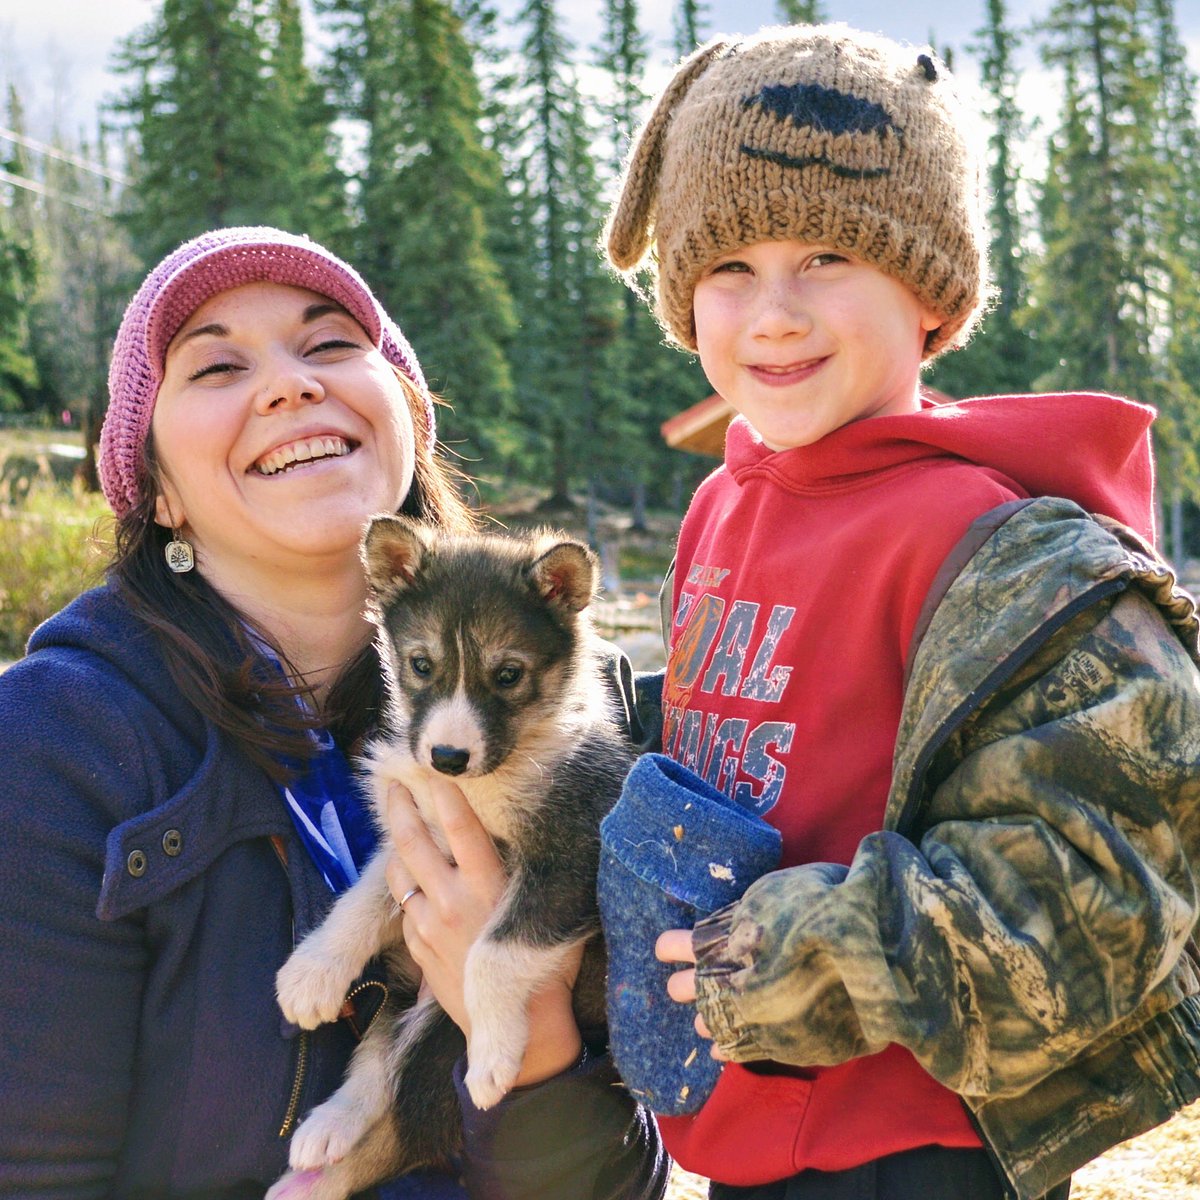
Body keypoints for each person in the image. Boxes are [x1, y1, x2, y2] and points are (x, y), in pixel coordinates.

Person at [600, 23, 1200, 1200]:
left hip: (913, 1149)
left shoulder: (999, 545)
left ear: (931, 289)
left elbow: (1101, 884)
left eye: (828, 254)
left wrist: (791, 955)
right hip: (739, 1125)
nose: (772, 313)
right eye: (727, 267)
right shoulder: (723, 502)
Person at [0, 226, 667, 1200]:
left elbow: (620, 1184)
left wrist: (531, 1036)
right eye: (217, 364)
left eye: (328, 346)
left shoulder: (567, 710)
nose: (289, 384)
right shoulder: (56, 744)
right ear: (159, 493)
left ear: (406, 420)